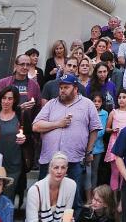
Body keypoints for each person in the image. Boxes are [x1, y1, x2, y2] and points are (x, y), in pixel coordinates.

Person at [32, 73, 102, 208]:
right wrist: (58, 124)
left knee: (73, 199)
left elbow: (94, 129)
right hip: (50, 160)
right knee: (43, 199)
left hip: (74, 160)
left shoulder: (87, 104)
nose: (62, 90)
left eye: (66, 87)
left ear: (75, 88)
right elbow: (36, 126)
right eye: (61, 87)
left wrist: (89, 151)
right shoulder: (51, 104)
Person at [0, 86, 33, 203]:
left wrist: (24, 140)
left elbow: (30, 137)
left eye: (10, 99)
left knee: (8, 198)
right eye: (4, 98)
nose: (6, 101)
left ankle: (6, 220)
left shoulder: (21, 116)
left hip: (14, 164)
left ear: (15, 100)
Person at [104, 90, 126, 192]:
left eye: (124, 97)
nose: (121, 100)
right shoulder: (113, 112)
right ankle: (114, 199)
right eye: (119, 97)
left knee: (124, 173)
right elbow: (106, 129)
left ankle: (122, 200)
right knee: (115, 172)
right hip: (115, 143)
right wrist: (112, 130)